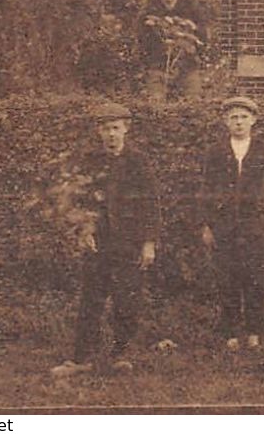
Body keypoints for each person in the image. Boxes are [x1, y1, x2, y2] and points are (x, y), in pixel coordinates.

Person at [50, 103, 160, 377]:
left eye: (116, 128)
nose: (111, 134)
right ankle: (81, 357)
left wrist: (149, 243)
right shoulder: (90, 161)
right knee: (91, 299)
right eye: (106, 129)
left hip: (130, 242)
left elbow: (151, 204)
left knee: (127, 300)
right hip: (97, 242)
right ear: (99, 131)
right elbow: (77, 199)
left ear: (126, 129)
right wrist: (84, 230)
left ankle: (120, 354)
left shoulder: (139, 161)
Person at [200, 95, 264, 351]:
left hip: (254, 225)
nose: (239, 122)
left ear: (253, 120)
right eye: (233, 117)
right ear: (226, 121)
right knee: (227, 278)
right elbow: (205, 190)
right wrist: (206, 225)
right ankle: (231, 331)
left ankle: (255, 330)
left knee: (255, 278)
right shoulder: (215, 152)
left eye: (244, 117)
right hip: (224, 226)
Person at [136, 0, 204, 101]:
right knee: (156, 103)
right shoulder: (149, 11)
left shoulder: (192, 11)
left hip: (186, 66)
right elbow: (142, 40)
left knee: (193, 101)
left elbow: (202, 37)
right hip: (158, 66)